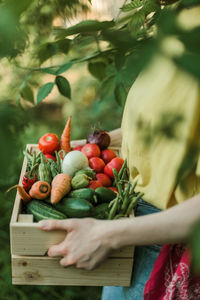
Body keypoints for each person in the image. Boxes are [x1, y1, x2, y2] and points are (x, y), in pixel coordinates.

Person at [38, 7, 200, 299]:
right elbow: (171, 128)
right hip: (129, 225)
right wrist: (95, 146)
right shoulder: (179, 17)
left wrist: (105, 235)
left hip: (171, 248)